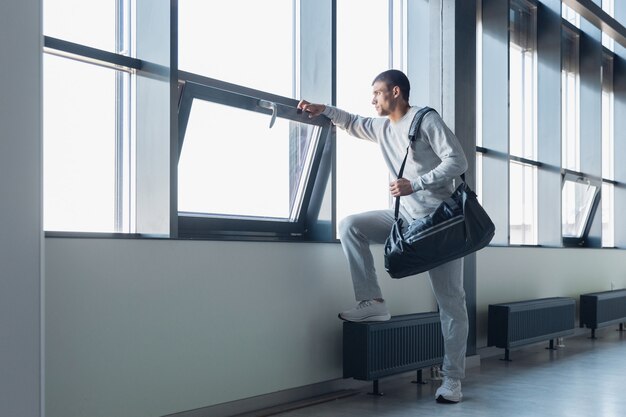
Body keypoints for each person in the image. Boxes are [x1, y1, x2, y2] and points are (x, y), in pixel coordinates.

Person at [297, 69, 469, 404]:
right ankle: (373, 302)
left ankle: (452, 381)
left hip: (439, 227)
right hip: (404, 220)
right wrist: (324, 110)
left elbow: (457, 161)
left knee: (452, 304)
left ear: (395, 91)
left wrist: (415, 184)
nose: (372, 99)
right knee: (351, 225)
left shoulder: (425, 120)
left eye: (376, 93)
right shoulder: (382, 126)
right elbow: (353, 121)